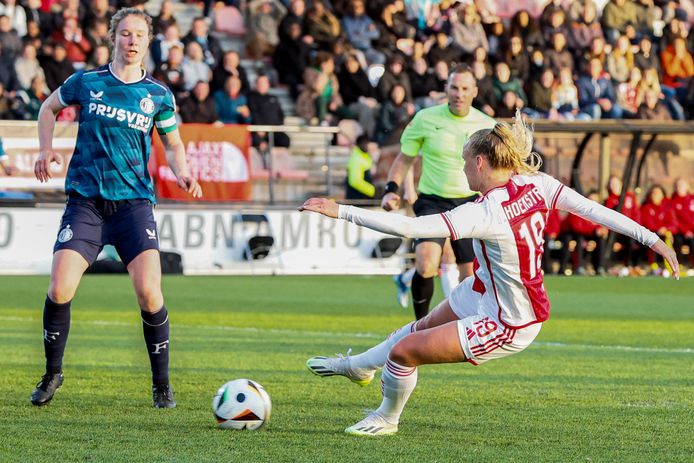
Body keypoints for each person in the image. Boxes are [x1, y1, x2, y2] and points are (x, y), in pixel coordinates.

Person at [300, 112, 678, 436]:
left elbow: (410, 230)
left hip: (508, 320)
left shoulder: (485, 212)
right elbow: (595, 211)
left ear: (480, 162)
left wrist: (342, 210)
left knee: (403, 353)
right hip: (484, 290)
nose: (462, 169)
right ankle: (359, 366)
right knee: (416, 329)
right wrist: (654, 241)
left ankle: (387, 417)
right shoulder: (538, 184)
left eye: (465, 161)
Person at [30, 8, 202, 409]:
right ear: (113, 37)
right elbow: (47, 109)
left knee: (148, 291)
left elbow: (172, 142)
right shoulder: (87, 82)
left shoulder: (157, 94)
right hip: (86, 203)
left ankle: (161, 384)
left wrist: (183, 171)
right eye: (125, 33)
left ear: (148, 40)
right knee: (59, 287)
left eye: (139, 34)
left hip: (133, 206)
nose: (132, 41)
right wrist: (45, 148)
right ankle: (52, 373)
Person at [380, 64, 495, 320]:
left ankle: (467, 329)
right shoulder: (425, 118)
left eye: (465, 88)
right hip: (433, 201)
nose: (459, 94)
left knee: (469, 275)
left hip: (470, 203)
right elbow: (403, 159)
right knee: (426, 262)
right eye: (454, 87)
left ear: (475, 91)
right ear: (446, 88)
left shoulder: (487, 126)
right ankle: (418, 329)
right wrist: (391, 190)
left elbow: (498, 169)